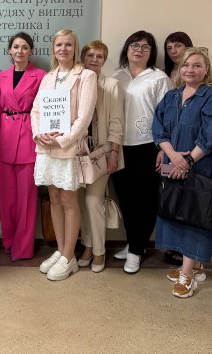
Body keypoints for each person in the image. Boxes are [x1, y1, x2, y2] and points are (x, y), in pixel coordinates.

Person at [152, 48, 212, 298]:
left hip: (200, 166)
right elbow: (158, 130)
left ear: (206, 70)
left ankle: (187, 275)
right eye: (186, 65)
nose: (190, 69)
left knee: (195, 216)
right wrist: (172, 156)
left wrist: (186, 161)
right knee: (176, 212)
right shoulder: (172, 95)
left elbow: (209, 137)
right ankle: (194, 266)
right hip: (172, 162)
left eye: (197, 65)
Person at [32, 29, 97, 281]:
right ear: (53, 49)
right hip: (46, 146)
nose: (63, 49)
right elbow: (36, 111)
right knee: (54, 198)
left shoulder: (86, 76)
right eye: (59, 44)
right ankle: (61, 251)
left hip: (68, 147)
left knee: (69, 200)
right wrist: (38, 134)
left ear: (75, 48)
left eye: (68, 45)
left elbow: (84, 117)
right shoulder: (48, 77)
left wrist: (62, 139)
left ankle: (70, 257)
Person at [110, 31, 172, 273]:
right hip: (118, 146)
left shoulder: (159, 78)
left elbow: (168, 115)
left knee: (145, 200)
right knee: (125, 198)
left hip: (149, 146)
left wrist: (163, 147)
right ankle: (134, 242)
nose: (139, 50)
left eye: (145, 47)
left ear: (151, 53)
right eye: (135, 45)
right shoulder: (116, 77)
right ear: (126, 49)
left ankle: (136, 251)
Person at [0, 32, 46, 261]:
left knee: (26, 198)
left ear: (31, 51)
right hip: (5, 137)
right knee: (7, 198)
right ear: (9, 50)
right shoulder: (2, 76)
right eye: (15, 46)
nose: (20, 51)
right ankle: (9, 242)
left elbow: (45, 109)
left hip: (28, 137)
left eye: (24, 47)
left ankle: (23, 248)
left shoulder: (41, 76)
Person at [77, 40, 125, 273]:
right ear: (83, 58)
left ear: (104, 60)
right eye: (90, 55)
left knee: (93, 201)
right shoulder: (75, 82)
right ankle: (87, 246)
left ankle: (99, 251)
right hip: (76, 152)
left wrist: (114, 152)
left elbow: (117, 121)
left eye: (99, 56)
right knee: (79, 202)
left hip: (102, 152)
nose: (94, 60)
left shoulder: (112, 85)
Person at [162, 31, 193, 266]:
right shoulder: (165, 76)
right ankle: (173, 246)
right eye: (169, 47)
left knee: (190, 199)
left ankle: (189, 252)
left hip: (192, 148)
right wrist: (164, 149)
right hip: (168, 145)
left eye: (178, 46)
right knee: (171, 195)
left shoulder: (203, 76)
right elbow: (162, 117)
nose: (174, 51)